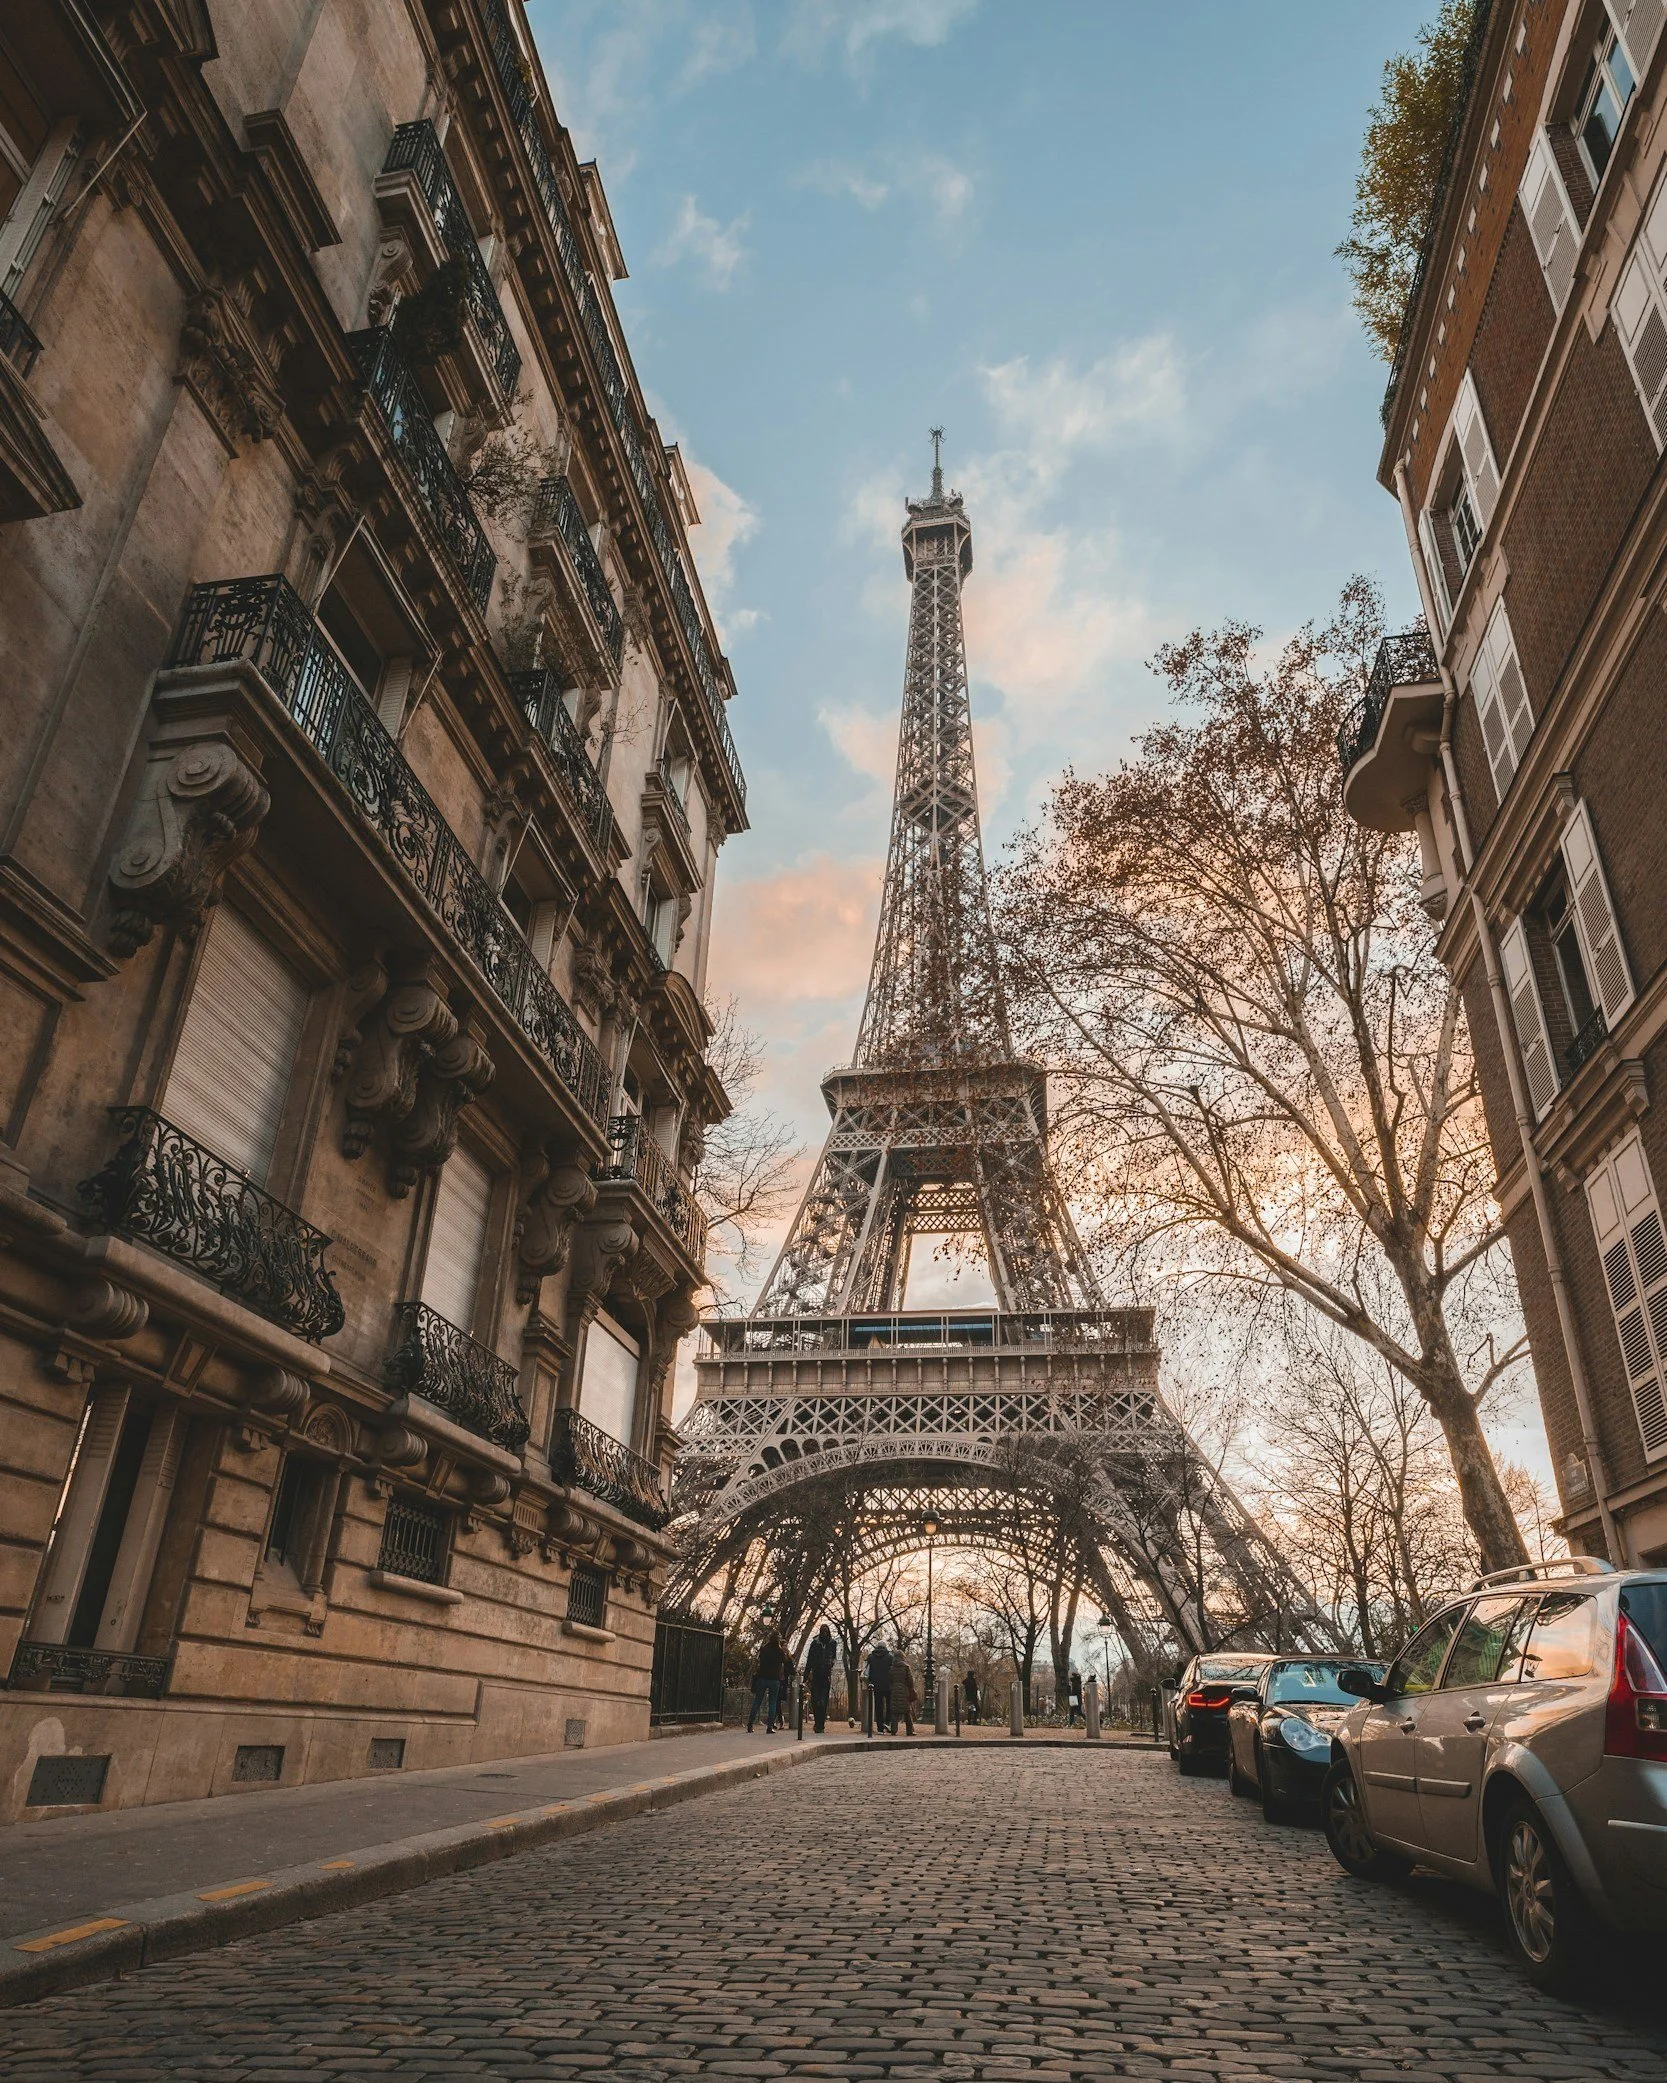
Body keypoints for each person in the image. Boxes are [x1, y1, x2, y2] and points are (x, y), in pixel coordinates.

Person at [747, 1631, 787, 1733]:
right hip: (774, 1679)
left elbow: (759, 1661)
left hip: (762, 1677)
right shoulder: (779, 1651)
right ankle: (770, 1726)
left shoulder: (764, 1649)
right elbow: (784, 1662)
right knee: (772, 1703)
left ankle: (750, 1724)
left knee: (757, 1701)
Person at [807, 1624, 837, 1733]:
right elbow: (833, 1657)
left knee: (818, 1700)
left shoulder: (818, 1643)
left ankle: (819, 1724)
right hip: (822, 1674)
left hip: (820, 1674)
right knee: (820, 1700)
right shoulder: (827, 1643)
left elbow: (810, 1660)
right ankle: (820, 1724)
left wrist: (806, 1676)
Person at [864, 1640, 892, 1737]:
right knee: (889, 1705)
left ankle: (879, 1727)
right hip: (888, 1685)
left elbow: (867, 1671)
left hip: (875, 1685)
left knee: (878, 1706)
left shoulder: (871, 1657)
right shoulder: (890, 1657)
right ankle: (888, 1723)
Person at [890, 1645, 917, 1736]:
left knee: (894, 1711)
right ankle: (909, 1731)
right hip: (904, 1690)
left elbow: (889, 1679)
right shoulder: (906, 1667)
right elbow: (910, 1681)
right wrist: (910, 1689)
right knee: (907, 1711)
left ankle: (893, 1730)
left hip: (894, 1691)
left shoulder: (892, 1668)